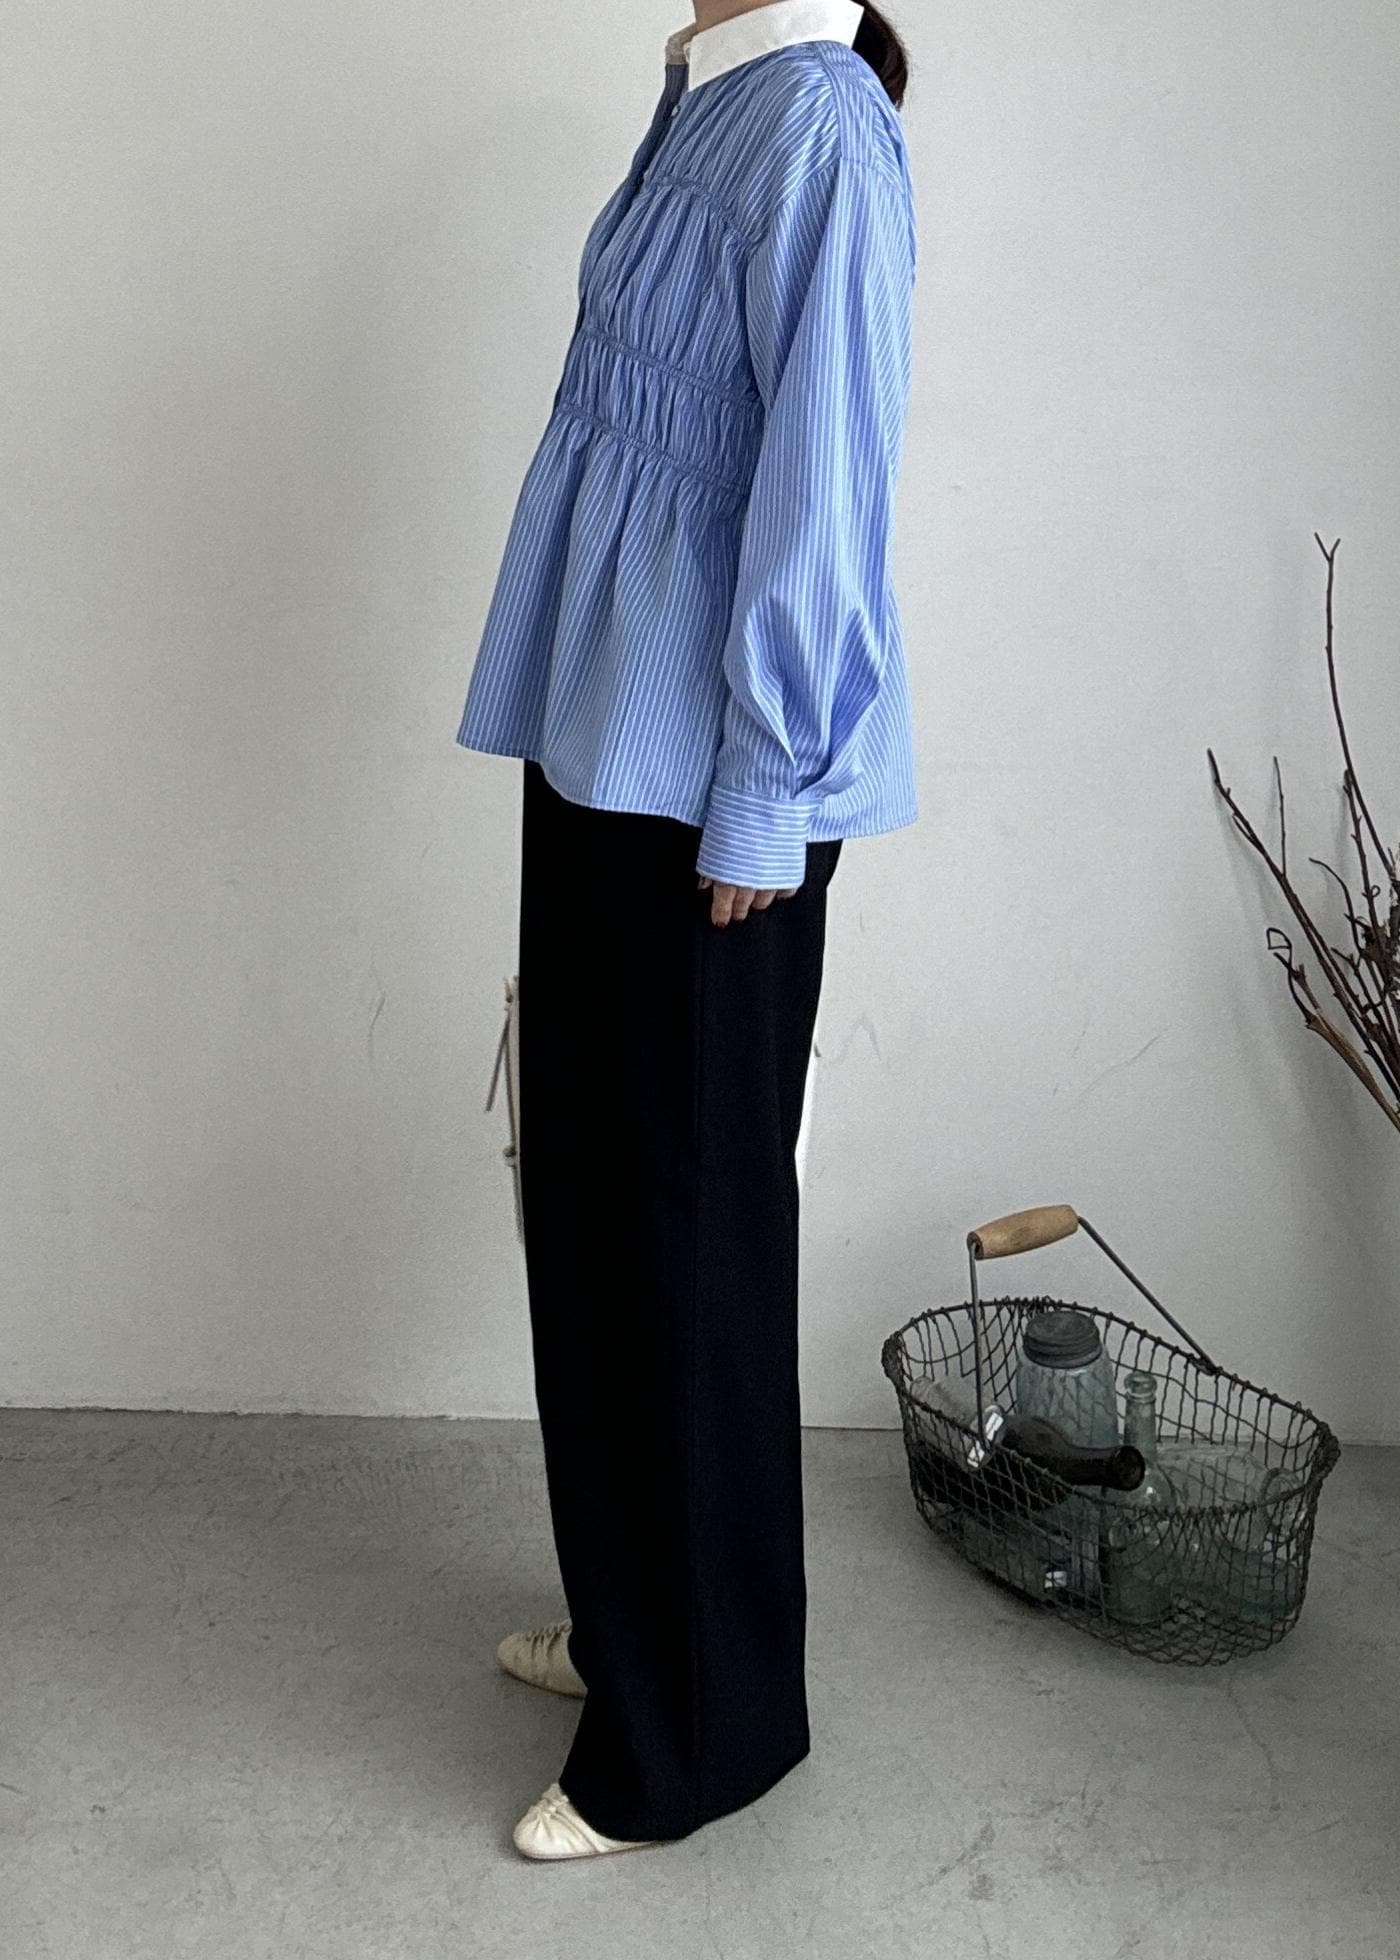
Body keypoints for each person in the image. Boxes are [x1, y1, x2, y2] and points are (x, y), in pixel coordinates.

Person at [454, 0, 918, 1859]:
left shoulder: (822, 127)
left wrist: (768, 793)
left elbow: (829, 481)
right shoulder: (704, 94)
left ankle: (707, 1727)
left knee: (686, 1232)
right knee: (590, 1201)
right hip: (605, 727)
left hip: (713, 782)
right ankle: (642, 1628)